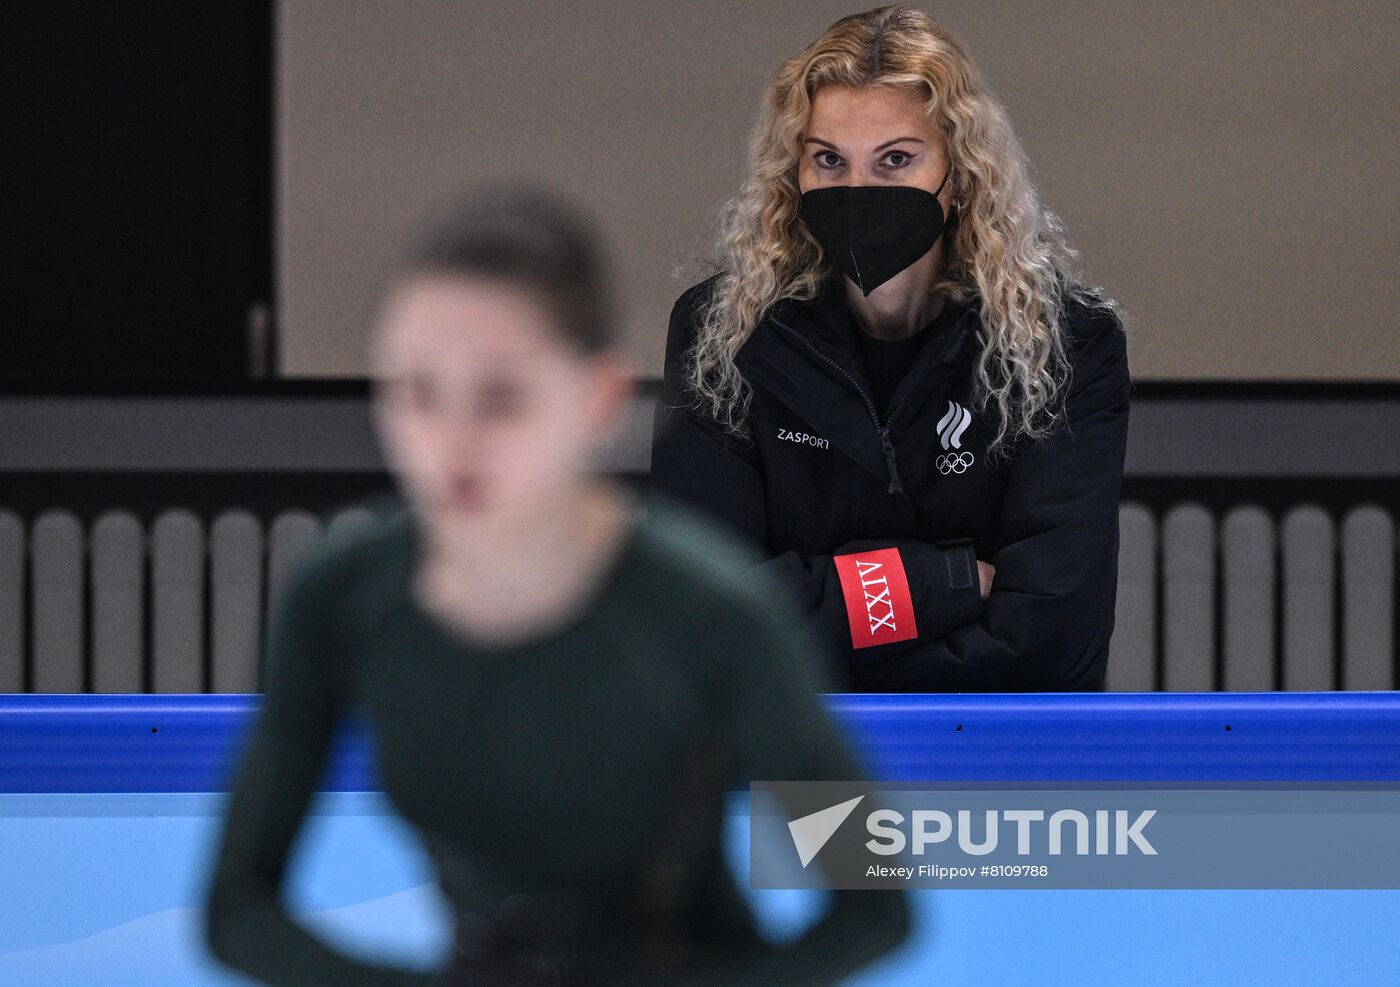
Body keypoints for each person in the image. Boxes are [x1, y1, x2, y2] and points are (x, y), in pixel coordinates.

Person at [201, 186, 909, 985]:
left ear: (599, 399)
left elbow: (876, 906)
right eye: (416, 391)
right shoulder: (340, 595)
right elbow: (237, 906)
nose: (450, 444)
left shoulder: (718, 614)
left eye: (501, 398)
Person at [649, 4, 1132, 693]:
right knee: (821, 807)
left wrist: (816, 625)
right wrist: (947, 581)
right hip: (807, 764)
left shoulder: (1067, 344)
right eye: (828, 160)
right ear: (793, 174)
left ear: (959, 172)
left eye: (895, 160)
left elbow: (1050, 643)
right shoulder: (723, 335)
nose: (857, 192)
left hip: (997, 773)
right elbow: (698, 617)